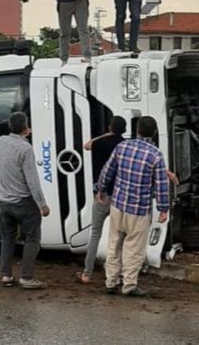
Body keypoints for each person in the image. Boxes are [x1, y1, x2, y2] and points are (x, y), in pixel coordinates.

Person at [96, 116, 169, 297]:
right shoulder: (155, 155)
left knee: (114, 244)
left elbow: (108, 170)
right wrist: (163, 209)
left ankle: (111, 281)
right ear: (153, 133)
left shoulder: (122, 147)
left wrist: (101, 189)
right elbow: (161, 184)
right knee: (134, 248)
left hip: (118, 205)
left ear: (137, 130)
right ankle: (129, 284)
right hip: (139, 209)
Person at [0, 112, 50, 290]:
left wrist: (23, 134)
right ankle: (26, 277)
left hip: (4, 200)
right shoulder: (26, 149)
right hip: (23, 201)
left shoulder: (0, 142)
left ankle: (6, 275)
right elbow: (32, 181)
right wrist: (42, 204)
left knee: (7, 237)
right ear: (26, 128)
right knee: (32, 237)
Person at [75, 116, 128, 284]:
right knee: (119, 236)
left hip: (101, 195)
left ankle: (87, 273)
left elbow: (87, 145)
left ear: (110, 127)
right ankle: (118, 274)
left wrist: (105, 135)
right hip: (118, 196)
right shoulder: (124, 145)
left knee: (95, 233)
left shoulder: (100, 143)